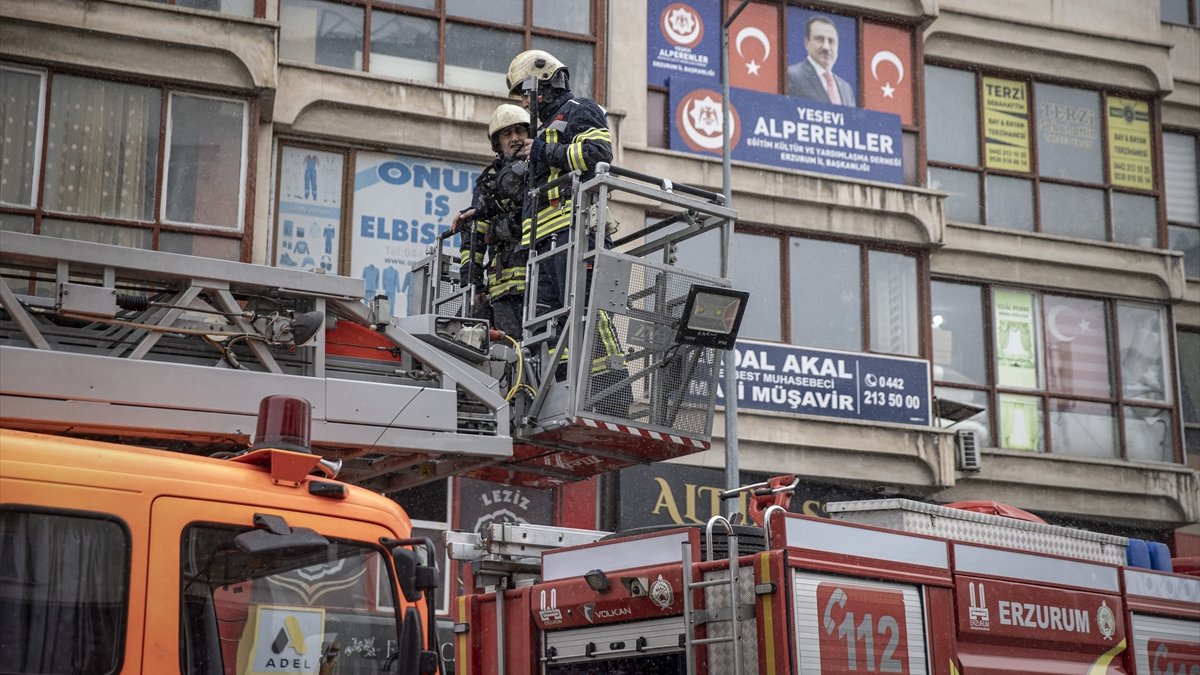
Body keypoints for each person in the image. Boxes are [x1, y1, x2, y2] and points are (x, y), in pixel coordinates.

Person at [506, 49, 629, 413]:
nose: (525, 102)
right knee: (554, 321)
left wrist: (543, 150)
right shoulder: (541, 131)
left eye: (526, 93)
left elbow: (598, 153)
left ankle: (612, 391)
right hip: (544, 242)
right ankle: (567, 390)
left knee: (588, 309)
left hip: (575, 230)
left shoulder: (578, 109)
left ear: (541, 85)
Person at [453, 103, 531, 340]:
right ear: (498, 143)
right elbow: (474, 237)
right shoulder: (488, 182)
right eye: (507, 134)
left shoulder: (543, 169)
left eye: (520, 131)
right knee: (511, 354)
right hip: (503, 288)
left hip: (540, 283)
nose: (515, 138)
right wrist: (473, 284)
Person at [786, 15, 856, 107]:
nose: (826, 47)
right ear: (806, 42)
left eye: (831, 41)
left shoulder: (846, 89)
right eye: (820, 39)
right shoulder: (791, 75)